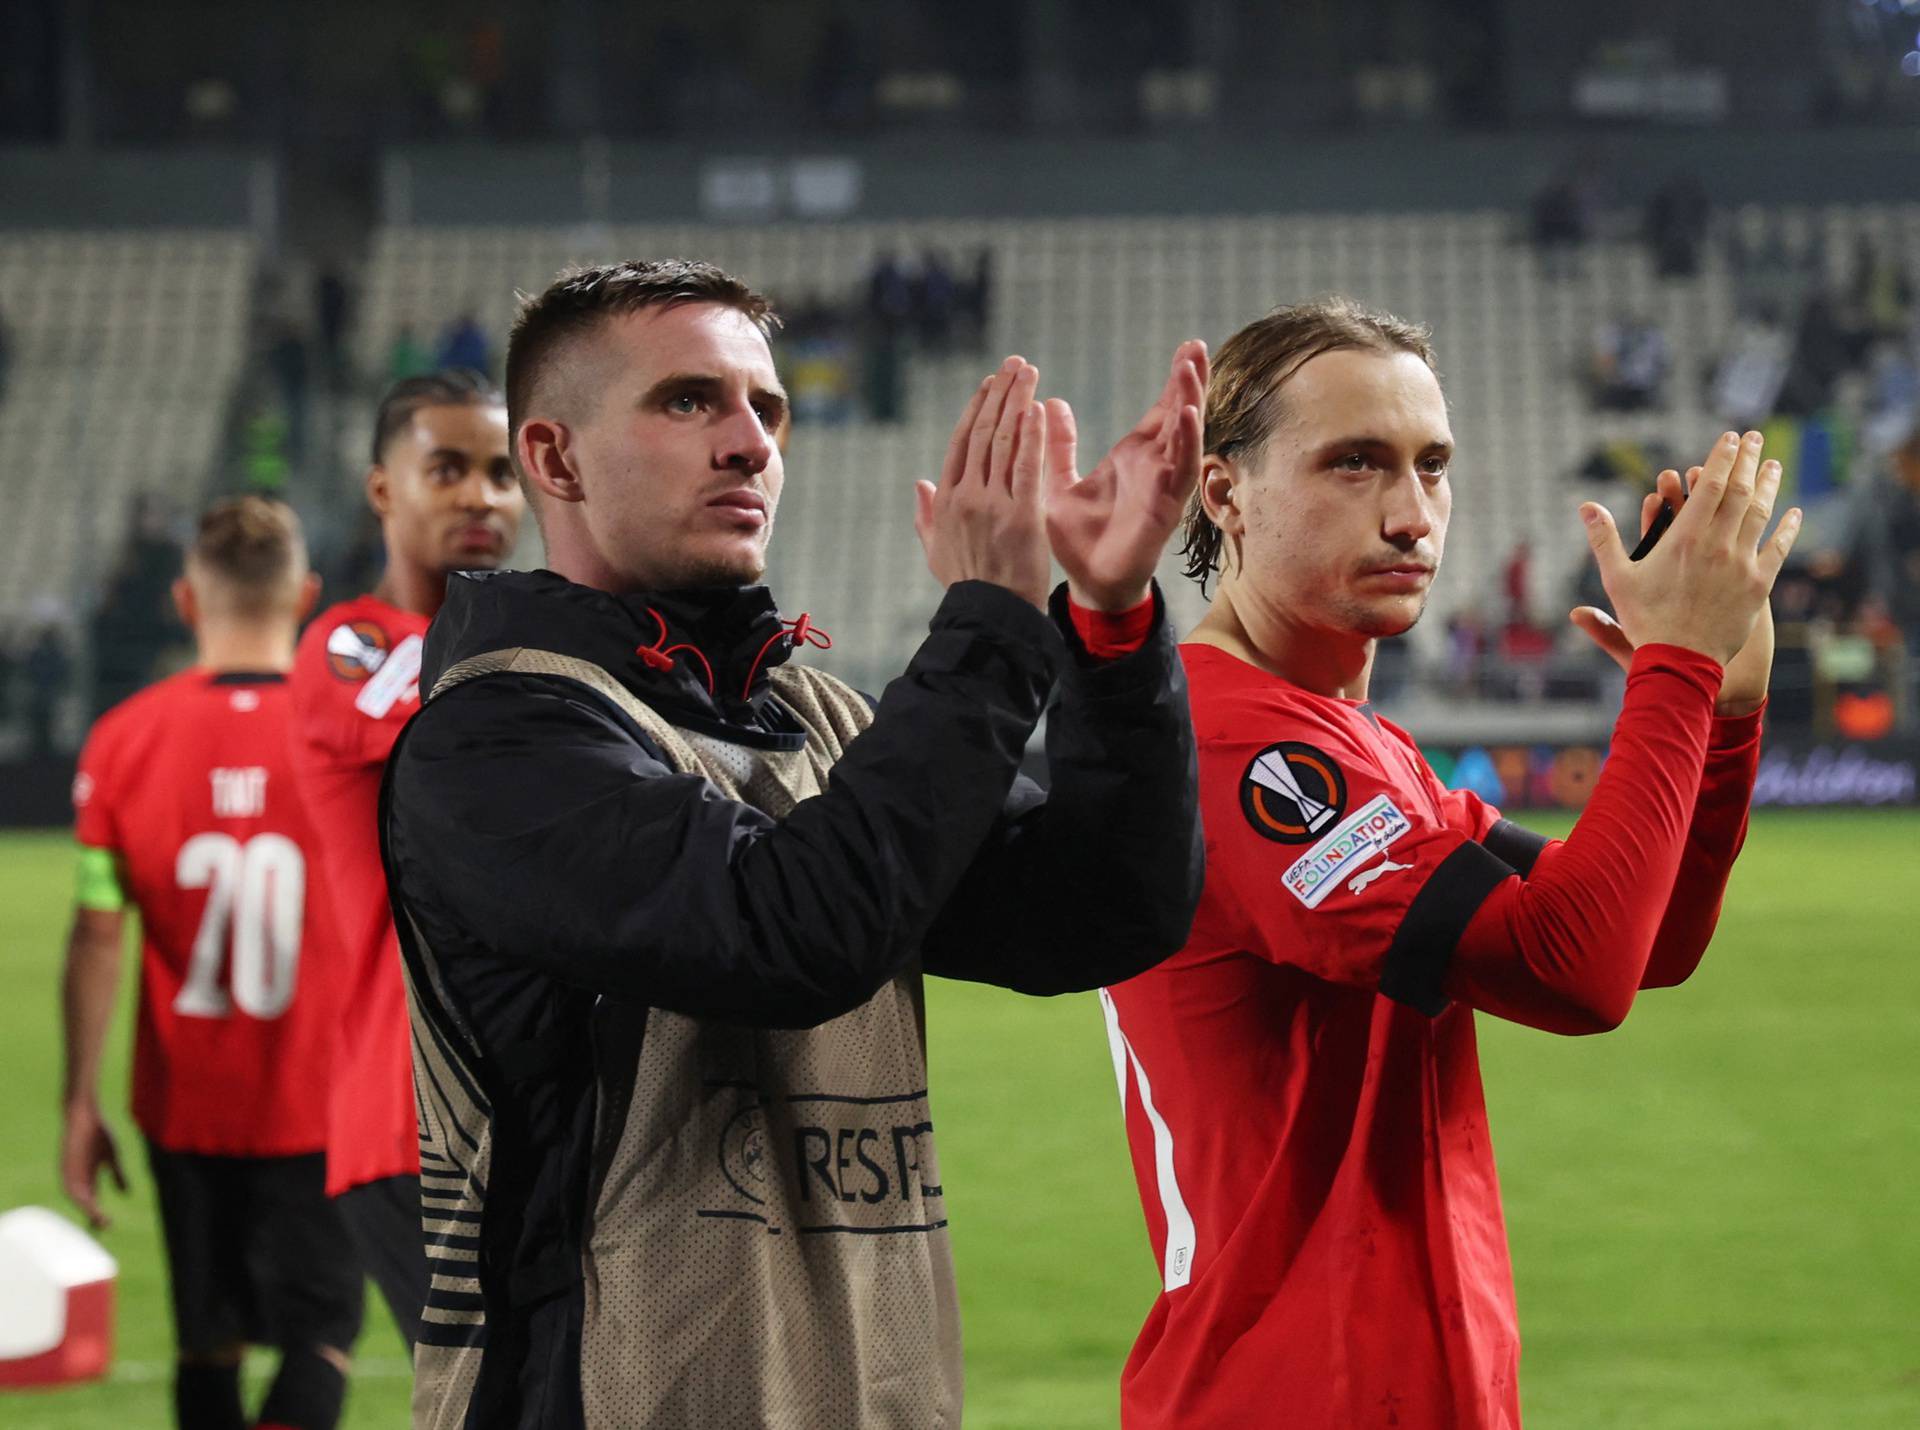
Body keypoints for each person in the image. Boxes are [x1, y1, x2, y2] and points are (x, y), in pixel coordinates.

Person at [379, 259, 1207, 1428]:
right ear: (555, 458)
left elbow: (1103, 908)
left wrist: (1112, 628)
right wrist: (991, 626)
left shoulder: (823, 723)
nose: (749, 442)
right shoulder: (496, 739)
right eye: (688, 401)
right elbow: (790, 935)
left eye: (766, 407)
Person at [1100, 298, 1801, 1428]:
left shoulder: (1358, 746)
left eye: (1433, 466)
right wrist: (1670, 665)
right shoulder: (1229, 743)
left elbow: (1647, 936)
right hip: (1290, 1395)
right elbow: (1574, 972)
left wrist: (1723, 707)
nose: (1411, 512)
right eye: (1354, 464)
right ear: (1224, 492)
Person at [60, 496, 362, 1430]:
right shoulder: (352, 743)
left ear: (186, 602)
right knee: (322, 1341)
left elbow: (100, 930)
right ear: (307, 598)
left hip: (183, 1108)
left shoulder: (121, 742)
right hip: (322, 1105)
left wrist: (80, 1102)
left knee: (207, 1343)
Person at [287, 369, 524, 1346]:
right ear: (384, 488)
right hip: (412, 1111)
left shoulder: (530, 646)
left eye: (502, 471)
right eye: (449, 468)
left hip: (519, 1100)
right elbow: (480, 726)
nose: (481, 495)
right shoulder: (351, 644)